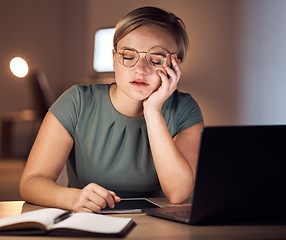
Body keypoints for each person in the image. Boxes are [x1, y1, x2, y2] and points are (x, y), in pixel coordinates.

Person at [20, 6, 204, 213]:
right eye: (128, 55)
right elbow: (31, 182)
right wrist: (71, 198)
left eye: (156, 58)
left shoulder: (185, 108)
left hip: (157, 224)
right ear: (115, 59)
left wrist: (153, 110)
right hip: (88, 219)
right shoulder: (77, 101)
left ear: (175, 64)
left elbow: (178, 193)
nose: (140, 69)